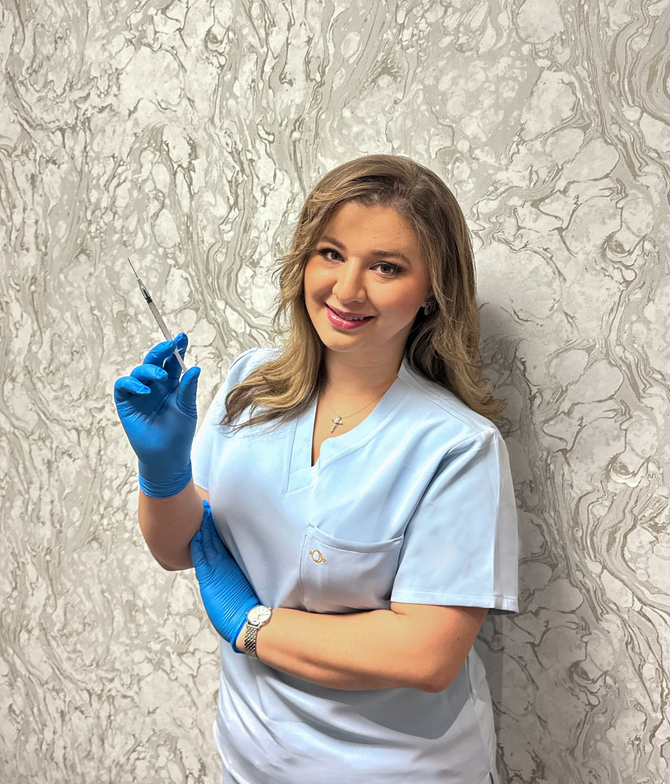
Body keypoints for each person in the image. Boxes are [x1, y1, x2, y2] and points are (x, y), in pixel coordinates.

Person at [114, 155, 518, 784]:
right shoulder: (252, 384)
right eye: (331, 253)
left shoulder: (456, 447)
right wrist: (161, 469)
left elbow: (427, 653)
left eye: (386, 267)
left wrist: (253, 626)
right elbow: (178, 548)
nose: (347, 289)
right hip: (251, 761)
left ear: (434, 291)